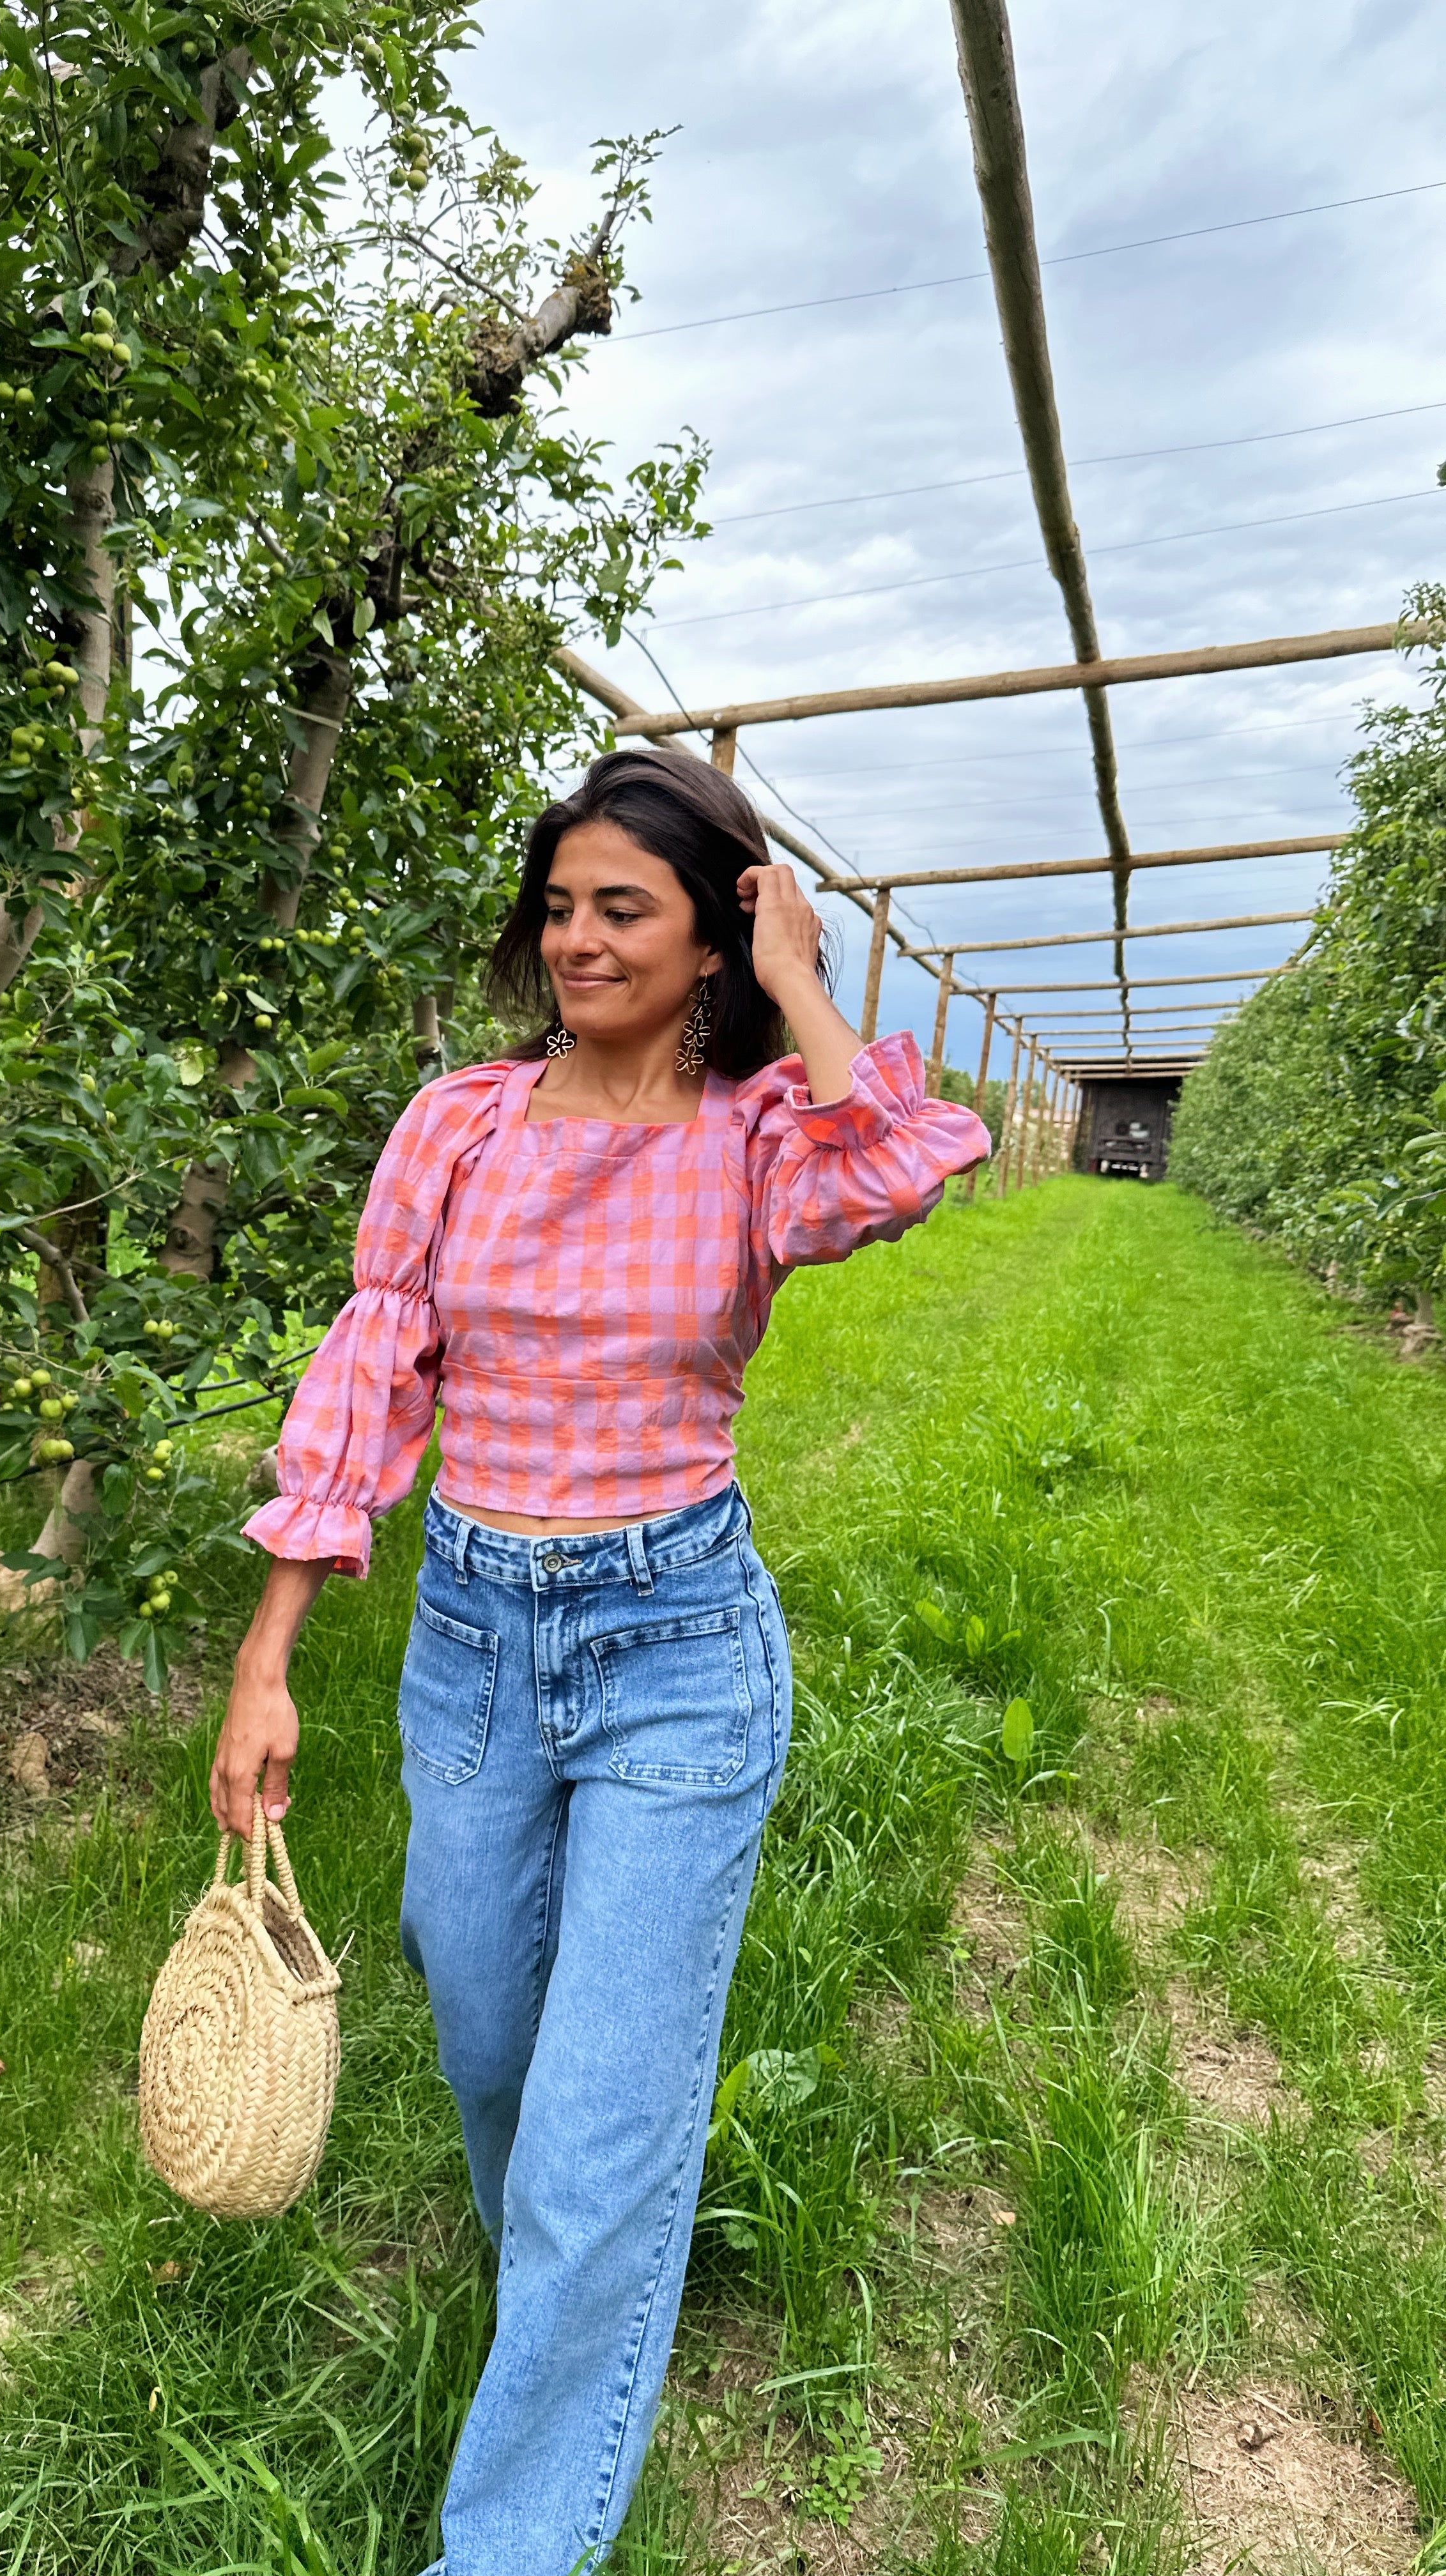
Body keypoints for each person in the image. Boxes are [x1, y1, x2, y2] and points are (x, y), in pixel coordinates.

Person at [212, 747, 989, 2575]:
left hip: (675, 1659)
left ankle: (511, 2534)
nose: (575, 940)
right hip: (477, 1645)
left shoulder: (758, 1138)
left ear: (710, 930)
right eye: (558, 906)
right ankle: (572, 2311)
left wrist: (802, 971)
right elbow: (368, 1373)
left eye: (621, 908)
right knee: (487, 2044)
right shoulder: (459, 1124)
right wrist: (271, 1658)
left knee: (594, 2142)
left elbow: (900, 1168)